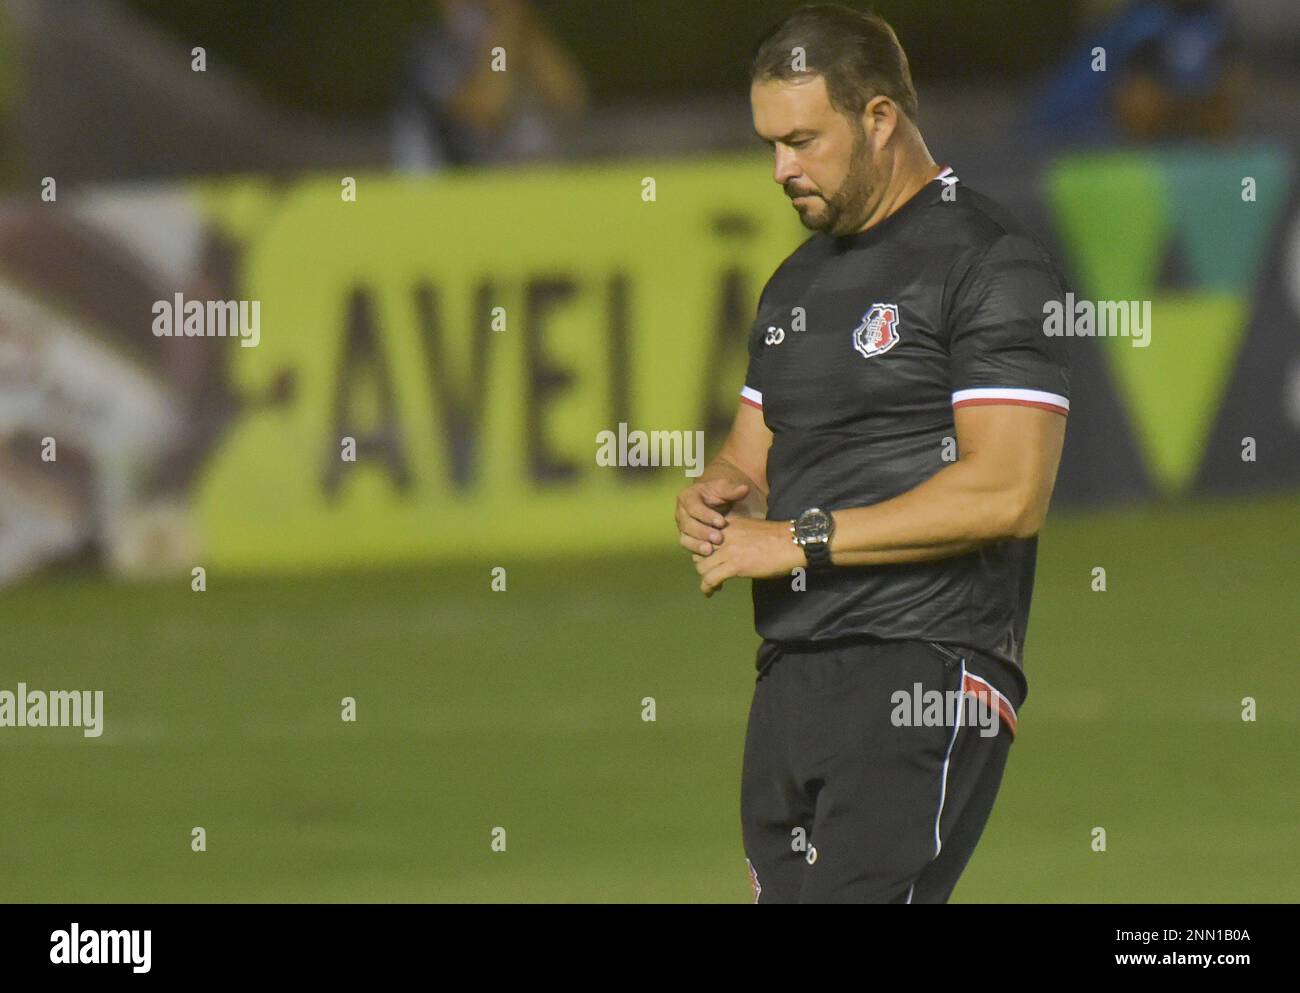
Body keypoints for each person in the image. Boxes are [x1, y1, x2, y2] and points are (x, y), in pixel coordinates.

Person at [674, 4, 1070, 903]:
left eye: (804, 140)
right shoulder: (797, 282)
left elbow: (1009, 491)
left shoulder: (991, 262)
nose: (781, 168)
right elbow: (752, 459)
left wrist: (797, 540)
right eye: (770, 142)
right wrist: (720, 493)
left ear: (881, 119)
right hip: (791, 674)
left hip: (923, 665)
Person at [391, 0, 588, 172]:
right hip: (465, 191)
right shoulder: (431, 51)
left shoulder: (518, 34)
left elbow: (569, 97)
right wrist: (505, 21)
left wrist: (517, 16)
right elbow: (489, 109)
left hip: (542, 181)